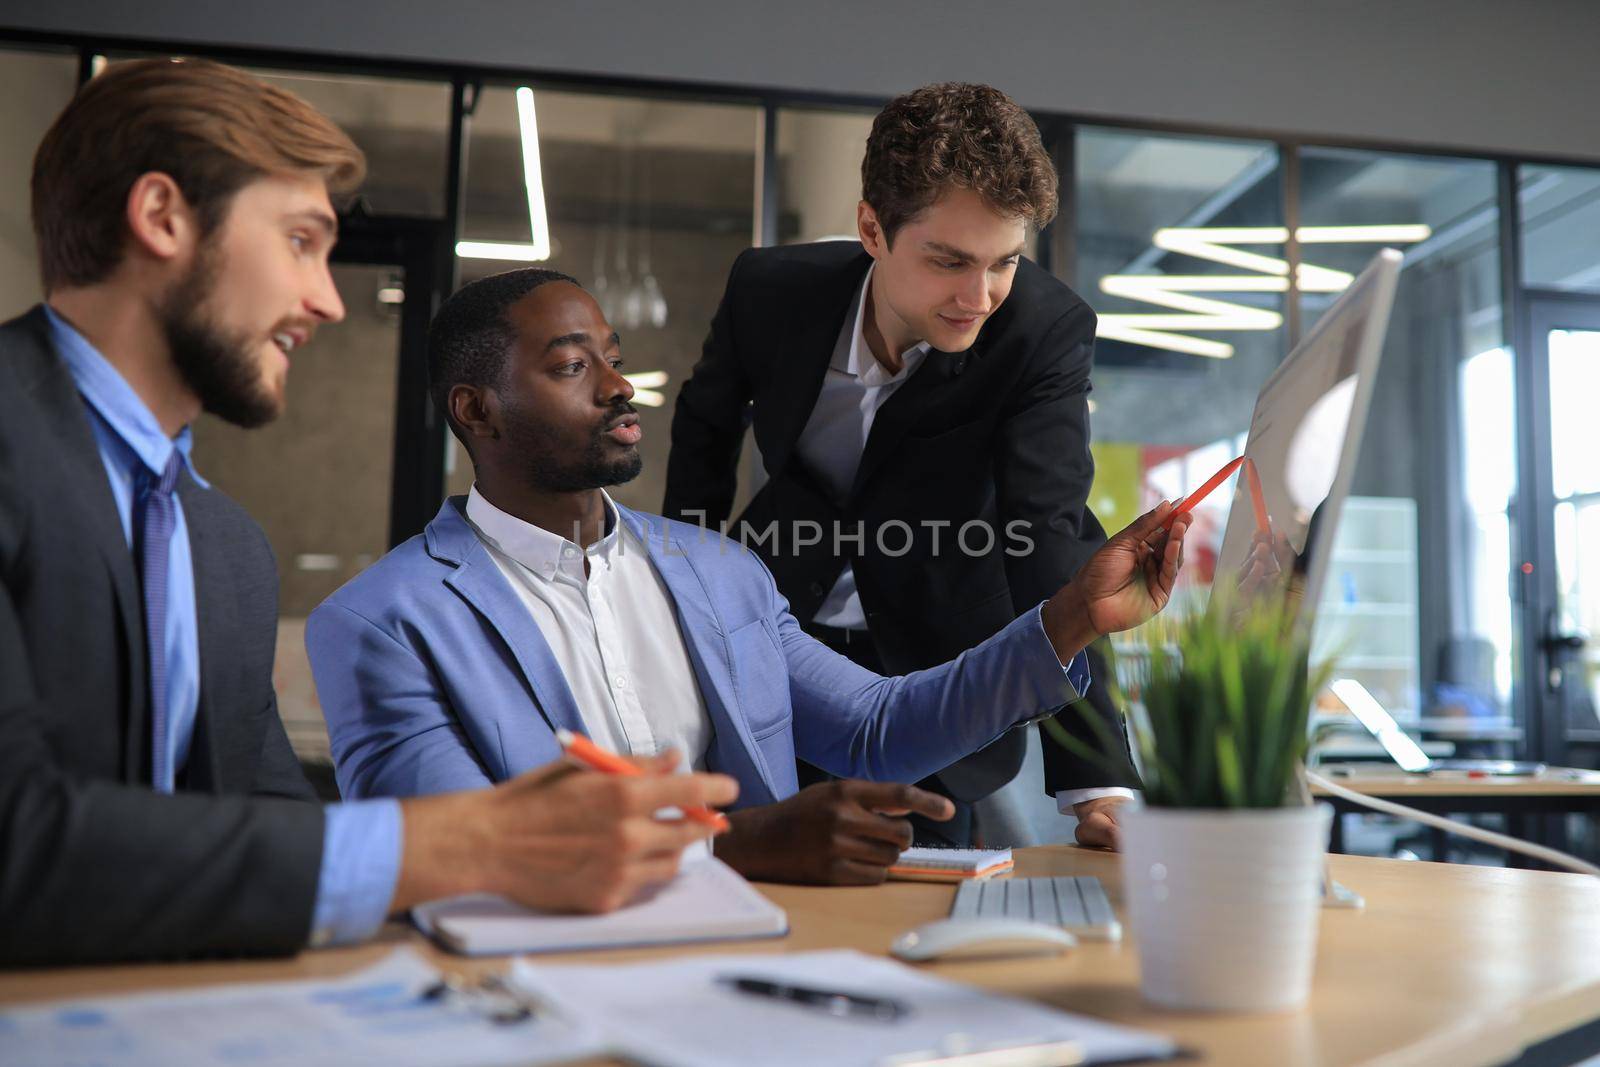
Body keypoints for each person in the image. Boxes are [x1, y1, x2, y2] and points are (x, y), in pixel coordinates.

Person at [0, 58, 735, 968]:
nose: (327, 299)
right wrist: (470, 840)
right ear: (161, 219)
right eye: (301, 242)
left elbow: (269, 835)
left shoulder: (227, 551)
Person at [305, 267, 1191, 886]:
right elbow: (446, 854)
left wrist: (1073, 612)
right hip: (543, 990)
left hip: (763, 958)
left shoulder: (724, 572)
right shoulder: (382, 621)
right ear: (475, 410)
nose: (621, 387)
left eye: (613, 356)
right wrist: (734, 844)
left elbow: (880, 727)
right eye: (575, 366)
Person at [661, 83, 1135, 848]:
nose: (978, 297)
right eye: (949, 261)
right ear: (872, 230)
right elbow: (704, 426)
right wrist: (685, 587)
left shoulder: (1040, 334)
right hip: (780, 639)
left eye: (1003, 263)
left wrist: (1094, 781)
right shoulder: (770, 294)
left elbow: (1049, 530)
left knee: (930, 909)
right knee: (757, 879)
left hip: (939, 668)